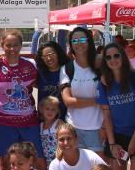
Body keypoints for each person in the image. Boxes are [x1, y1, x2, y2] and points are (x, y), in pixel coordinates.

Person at [0, 29, 44, 166]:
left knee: (37, 158)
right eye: (8, 45)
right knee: (5, 161)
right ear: (2, 45)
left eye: (16, 45)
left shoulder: (31, 64)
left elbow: (42, 80)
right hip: (3, 121)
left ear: (21, 46)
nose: (12, 49)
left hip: (28, 121)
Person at [96, 42, 135, 170]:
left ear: (123, 57)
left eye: (116, 55)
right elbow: (107, 116)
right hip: (117, 137)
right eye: (108, 57)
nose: (113, 60)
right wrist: (112, 144)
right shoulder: (104, 83)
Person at [60, 26, 104, 154]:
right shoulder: (67, 69)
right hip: (73, 129)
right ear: (71, 45)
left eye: (82, 39)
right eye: (75, 41)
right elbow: (68, 100)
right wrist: (97, 101)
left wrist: (105, 127)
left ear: (89, 41)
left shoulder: (100, 64)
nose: (79, 43)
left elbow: (108, 99)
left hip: (97, 128)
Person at [35, 41, 68, 121]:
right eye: (45, 56)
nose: (49, 58)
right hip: (44, 122)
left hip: (63, 122)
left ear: (58, 53)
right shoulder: (39, 73)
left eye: (51, 54)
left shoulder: (67, 71)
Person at [39, 96, 62, 161]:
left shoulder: (58, 123)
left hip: (58, 158)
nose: (50, 112)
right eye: (47, 109)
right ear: (41, 110)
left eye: (53, 109)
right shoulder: (40, 126)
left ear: (57, 111)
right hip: (45, 160)